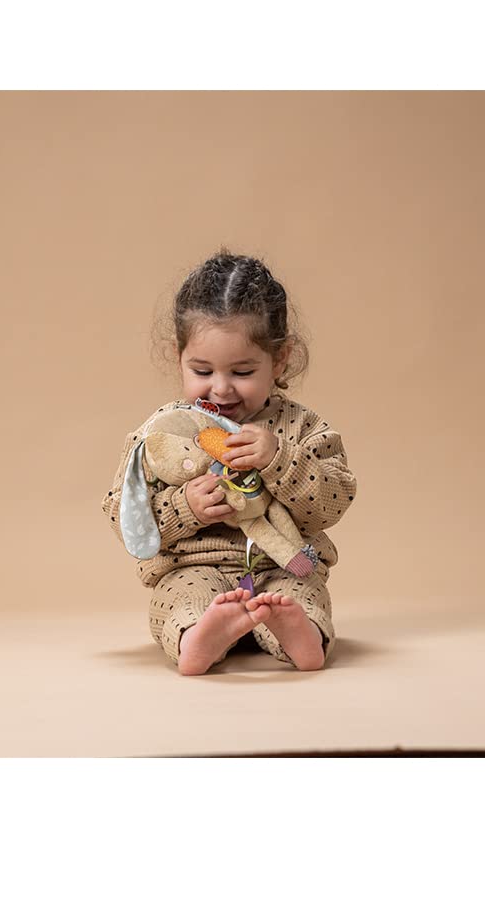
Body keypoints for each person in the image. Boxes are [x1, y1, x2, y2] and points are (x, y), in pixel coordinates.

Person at [101, 249, 357, 675]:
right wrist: (185, 507)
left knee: (301, 596)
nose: (221, 389)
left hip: (284, 566)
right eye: (202, 371)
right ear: (178, 356)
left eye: (242, 372)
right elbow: (122, 516)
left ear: (279, 359)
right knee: (180, 602)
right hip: (193, 568)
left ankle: (302, 635)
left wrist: (279, 459)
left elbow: (334, 499)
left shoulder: (302, 427)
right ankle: (198, 638)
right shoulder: (165, 432)